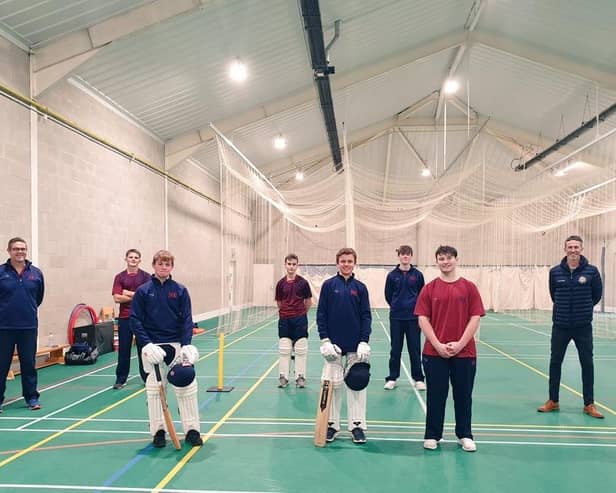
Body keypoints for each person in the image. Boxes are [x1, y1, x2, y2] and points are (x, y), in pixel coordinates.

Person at [415, 245, 485, 452]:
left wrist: (461, 344)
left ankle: (465, 434)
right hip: (434, 353)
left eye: (448, 258)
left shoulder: (469, 287)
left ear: (456, 259)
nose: (445, 262)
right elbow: (422, 318)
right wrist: (437, 345)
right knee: (436, 394)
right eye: (441, 258)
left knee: (463, 395)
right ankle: (432, 435)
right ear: (436, 261)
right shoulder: (429, 289)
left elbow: (475, 318)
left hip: (464, 353)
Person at [130, 250, 203, 447]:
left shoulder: (180, 290)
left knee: (186, 386)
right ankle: (158, 431)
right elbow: (135, 320)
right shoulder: (143, 291)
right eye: (161, 264)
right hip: (153, 347)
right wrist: (146, 344)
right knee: (154, 391)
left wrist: (187, 344)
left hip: (176, 345)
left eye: (168, 264)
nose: (164, 267)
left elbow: (187, 318)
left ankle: (192, 429)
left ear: (172, 267)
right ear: (154, 265)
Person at [537, 235, 604, 419]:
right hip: (560, 326)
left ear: (581, 249)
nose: (573, 250)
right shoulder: (555, 272)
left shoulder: (592, 271)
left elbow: (596, 295)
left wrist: (582, 310)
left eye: (576, 247)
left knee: (587, 364)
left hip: (583, 327)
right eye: (570, 247)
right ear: (565, 249)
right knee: (555, 362)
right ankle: (553, 401)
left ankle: (589, 404)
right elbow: (554, 294)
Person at [317, 247, 372, 444]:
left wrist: (364, 341)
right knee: (333, 384)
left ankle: (357, 426)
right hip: (334, 346)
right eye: (343, 261)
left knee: (357, 383)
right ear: (337, 262)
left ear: (354, 263)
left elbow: (366, 316)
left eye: (350, 261)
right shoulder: (328, 285)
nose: (346, 264)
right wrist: (325, 340)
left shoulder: (361, 287)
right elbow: (321, 314)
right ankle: (331, 425)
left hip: (355, 346)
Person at [0, 237, 45, 412]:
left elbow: (38, 298)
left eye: (23, 249)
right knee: (2, 365)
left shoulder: (36, 273)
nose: (20, 252)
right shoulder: (1, 272)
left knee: (28, 364)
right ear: (9, 251)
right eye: (16, 249)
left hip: (28, 327)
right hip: (4, 328)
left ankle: (31, 397)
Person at [384, 245, 426, 391]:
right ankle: (392, 378)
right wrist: (396, 306)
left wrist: (414, 310)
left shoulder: (418, 275)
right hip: (396, 317)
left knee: (414, 349)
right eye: (402, 254)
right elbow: (388, 295)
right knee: (395, 349)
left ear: (411, 256)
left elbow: (422, 295)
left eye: (408, 254)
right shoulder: (391, 275)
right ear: (399, 256)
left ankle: (419, 378)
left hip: (413, 318)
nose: (405, 257)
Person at [111, 249, 150, 388]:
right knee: (124, 349)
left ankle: (147, 378)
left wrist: (127, 293)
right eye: (131, 257)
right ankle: (121, 379)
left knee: (144, 349)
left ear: (140, 260)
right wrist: (137, 295)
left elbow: (147, 297)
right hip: (125, 318)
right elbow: (117, 298)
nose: (133, 259)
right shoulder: (119, 277)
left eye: (136, 257)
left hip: (142, 318)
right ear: (126, 259)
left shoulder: (146, 277)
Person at [275, 253, 312, 388]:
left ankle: (300, 377)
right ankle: (283, 377)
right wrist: (287, 313)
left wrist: (299, 314)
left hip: (300, 320)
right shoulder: (280, 284)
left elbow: (308, 302)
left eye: (294, 264)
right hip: (284, 320)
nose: (291, 267)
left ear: (297, 265)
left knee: (301, 349)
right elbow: (279, 302)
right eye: (289, 264)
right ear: (285, 265)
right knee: (284, 349)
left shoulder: (303, 283)